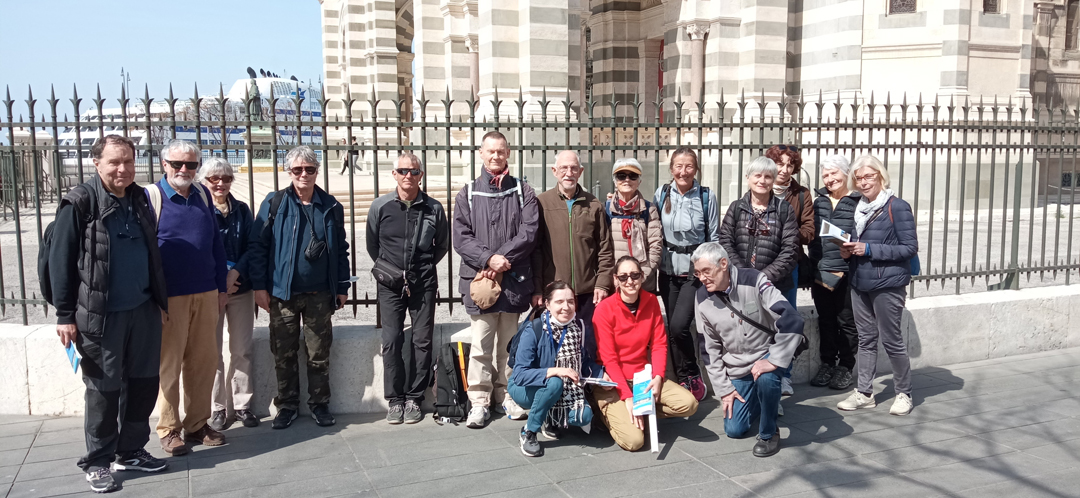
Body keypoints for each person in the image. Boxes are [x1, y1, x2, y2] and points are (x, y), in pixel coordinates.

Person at [49, 135, 170, 493]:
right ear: (96, 163)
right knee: (104, 389)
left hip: (143, 310)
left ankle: (131, 450)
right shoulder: (80, 203)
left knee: (146, 383)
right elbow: (60, 262)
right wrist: (64, 315)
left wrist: (159, 304)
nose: (123, 169)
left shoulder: (138, 199)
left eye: (129, 162)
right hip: (101, 316)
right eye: (115, 162)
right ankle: (98, 461)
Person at [248, 145, 351, 429]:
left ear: (317, 171)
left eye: (309, 169)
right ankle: (287, 405)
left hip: (319, 293)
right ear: (289, 172)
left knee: (319, 353)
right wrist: (259, 286)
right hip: (283, 294)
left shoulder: (330, 206)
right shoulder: (275, 203)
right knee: (284, 353)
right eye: (297, 170)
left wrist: (342, 285)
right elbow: (258, 247)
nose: (303, 174)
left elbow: (341, 249)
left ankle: (319, 404)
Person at [453, 131, 539, 428]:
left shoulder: (523, 191)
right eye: (490, 151)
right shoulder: (467, 192)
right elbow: (461, 237)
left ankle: (507, 395)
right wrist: (489, 259)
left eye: (500, 151)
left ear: (508, 153)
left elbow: (529, 232)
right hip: (482, 283)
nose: (495, 156)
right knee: (480, 346)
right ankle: (479, 401)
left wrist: (502, 259)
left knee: (510, 345)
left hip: (514, 280)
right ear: (481, 153)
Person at [151, 139, 229, 456]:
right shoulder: (151, 198)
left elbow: (215, 245)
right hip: (170, 297)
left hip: (206, 292)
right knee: (169, 365)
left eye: (191, 165)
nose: (184, 170)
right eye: (177, 164)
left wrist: (221, 287)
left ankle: (197, 424)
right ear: (164, 165)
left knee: (203, 361)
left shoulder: (202, 196)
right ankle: (169, 429)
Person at [691, 242, 804, 457]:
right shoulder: (701, 297)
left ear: (723, 263)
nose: (702, 278)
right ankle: (765, 401)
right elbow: (708, 349)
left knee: (766, 378)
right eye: (698, 273)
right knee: (735, 429)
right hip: (737, 367)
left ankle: (769, 434)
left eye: (706, 271)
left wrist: (773, 360)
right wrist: (724, 389)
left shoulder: (754, 280)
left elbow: (791, 319)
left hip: (766, 354)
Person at [366, 152, 449, 425]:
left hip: (423, 283)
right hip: (390, 285)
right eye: (402, 171)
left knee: (421, 342)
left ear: (421, 175)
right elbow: (372, 246)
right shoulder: (380, 207)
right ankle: (395, 399)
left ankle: (414, 397)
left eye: (413, 172)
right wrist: (393, 272)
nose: (408, 176)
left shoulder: (433, 208)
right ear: (394, 175)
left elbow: (441, 246)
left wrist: (419, 269)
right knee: (391, 341)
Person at [836, 155, 918, 416]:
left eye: (869, 176)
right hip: (860, 281)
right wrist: (848, 252)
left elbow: (909, 248)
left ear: (881, 176)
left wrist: (869, 248)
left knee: (892, 340)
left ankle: (904, 393)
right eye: (858, 178)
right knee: (866, 340)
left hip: (888, 283)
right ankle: (864, 392)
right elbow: (858, 244)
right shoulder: (859, 207)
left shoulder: (897, 206)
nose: (863, 182)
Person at [593, 256, 699, 451]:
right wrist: (627, 396)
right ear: (615, 279)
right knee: (634, 442)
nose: (630, 281)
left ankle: (640, 412)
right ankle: (604, 413)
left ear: (642, 277)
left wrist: (658, 377)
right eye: (623, 277)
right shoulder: (604, 310)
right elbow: (609, 359)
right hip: (614, 383)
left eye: (634, 275)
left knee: (689, 404)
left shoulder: (650, 301)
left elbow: (659, 344)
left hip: (641, 377)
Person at [717, 156, 798, 397]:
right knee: (749, 331)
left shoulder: (784, 210)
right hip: (741, 284)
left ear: (774, 180)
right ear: (748, 178)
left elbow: (790, 248)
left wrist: (763, 277)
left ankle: (779, 378)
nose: (762, 181)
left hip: (774, 283)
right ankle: (746, 377)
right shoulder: (736, 207)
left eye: (768, 176)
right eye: (757, 175)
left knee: (776, 331)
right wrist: (743, 275)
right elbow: (725, 242)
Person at [532, 150, 615, 352]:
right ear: (554, 171)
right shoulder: (542, 203)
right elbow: (535, 251)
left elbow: (605, 249)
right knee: (553, 346)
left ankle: (586, 383)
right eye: (563, 168)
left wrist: (603, 283)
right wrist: (536, 288)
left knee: (587, 344)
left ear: (581, 171)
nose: (568, 172)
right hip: (554, 292)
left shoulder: (594, 204)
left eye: (573, 168)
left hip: (587, 293)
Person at [198, 159, 259, 431]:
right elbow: (197, 248)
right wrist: (221, 276)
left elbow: (252, 246)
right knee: (211, 351)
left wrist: (234, 274)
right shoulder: (199, 209)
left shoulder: (242, 210)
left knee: (241, 349)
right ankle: (218, 407)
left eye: (225, 178)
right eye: (214, 178)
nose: (220, 183)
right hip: (210, 289)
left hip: (239, 288)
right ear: (204, 181)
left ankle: (243, 405)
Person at [653, 147, 718, 402]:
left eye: (689, 166)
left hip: (694, 272)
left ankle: (692, 372)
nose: (683, 171)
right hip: (668, 271)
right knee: (672, 328)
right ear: (671, 169)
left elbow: (714, 236)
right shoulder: (662, 193)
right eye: (678, 166)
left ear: (696, 169)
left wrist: (710, 271)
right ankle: (683, 379)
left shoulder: (705, 196)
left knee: (680, 325)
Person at [509, 280, 599, 457]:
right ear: (548, 304)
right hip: (525, 387)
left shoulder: (578, 328)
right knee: (554, 383)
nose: (566, 307)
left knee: (583, 417)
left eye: (570, 301)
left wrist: (605, 374)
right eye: (559, 302)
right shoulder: (533, 329)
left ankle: (549, 417)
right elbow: (519, 375)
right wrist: (556, 370)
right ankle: (529, 431)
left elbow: (586, 363)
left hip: (564, 388)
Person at [764, 146, 814, 397]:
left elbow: (809, 229)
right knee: (762, 318)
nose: (784, 170)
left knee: (787, 319)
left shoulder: (801, 194)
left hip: (789, 265)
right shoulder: (760, 186)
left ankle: (785, 375)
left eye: (789, 165)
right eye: (779, 164)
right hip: (761, 264)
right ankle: (763, 370)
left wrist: (787, 235)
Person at [807, 155, 860, 390]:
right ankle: (827, 363)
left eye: (834, 174)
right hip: (821, 270)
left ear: (846, 174)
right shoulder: (818, 202)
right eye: (826, 175)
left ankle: (846, 367)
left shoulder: (859, 201)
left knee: (846, 321)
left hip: (848, 271)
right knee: (825, 320)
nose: (829, 179)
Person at [606, 158, 662, 292]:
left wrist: (640, 277)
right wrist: (618, 279)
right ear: (615, 182)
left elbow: (656, 246)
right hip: (616, 283)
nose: (627, 180)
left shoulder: (649, 209)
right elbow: (603, 250)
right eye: (621, 176)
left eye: (632, 176)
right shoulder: (605, 210)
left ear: (639, 181)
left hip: (644, 281)